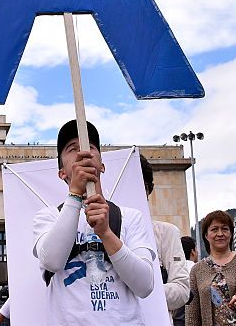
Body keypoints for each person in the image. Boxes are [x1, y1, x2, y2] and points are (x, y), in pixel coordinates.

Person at [33, 119, 156, 325]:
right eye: (72, 149)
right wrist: (74, 196)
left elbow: (145, 285)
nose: (82, 152)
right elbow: (52, 260)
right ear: (62, 172)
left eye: (90, 147)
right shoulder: (47, 217)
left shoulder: (130, 217)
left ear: (102, 165)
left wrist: (106, 233)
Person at [185, 210, 236, 326]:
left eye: (225, 229)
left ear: (231, 233)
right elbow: (192, 315)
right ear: (206, 235)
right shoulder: (197, 270)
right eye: (214, 229)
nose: (220, 233)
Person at [141, 155, 191, 324]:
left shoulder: (166, 232)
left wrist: (138, 292)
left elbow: (182, 289)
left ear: (149, 189)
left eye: (139, 186)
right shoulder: (100, 233)